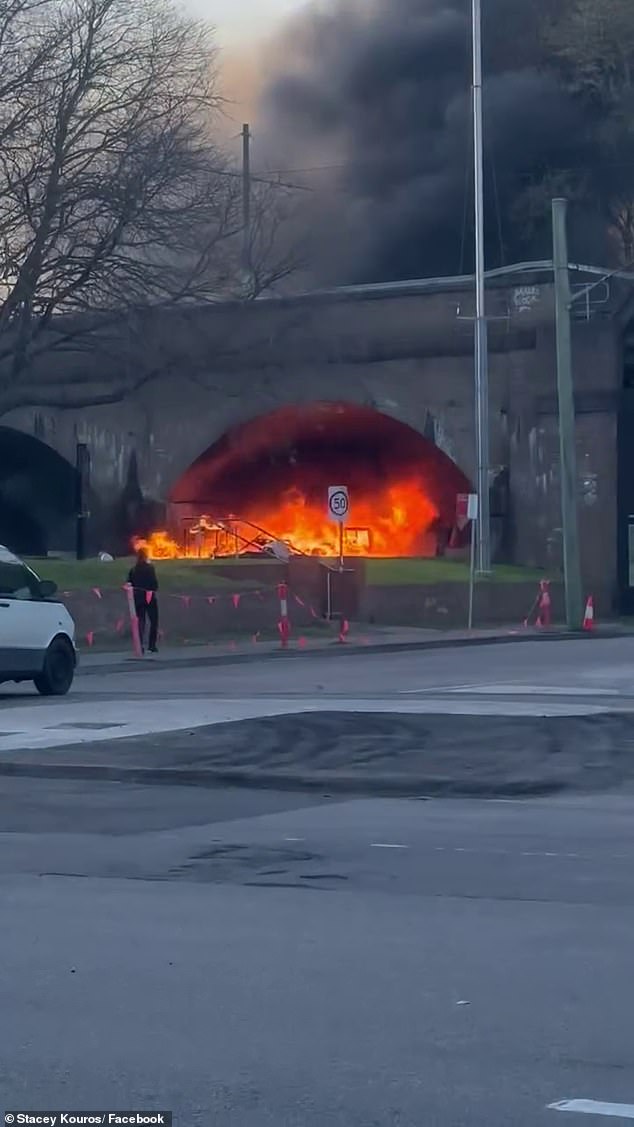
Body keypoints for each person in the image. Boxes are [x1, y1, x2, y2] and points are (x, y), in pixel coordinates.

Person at [128, 548, 159, 653]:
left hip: (138, 599)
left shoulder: (133, 570)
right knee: (154, 621)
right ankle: (152, 645)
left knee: (141, 622)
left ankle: (140, 645)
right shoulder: (150, 568)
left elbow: (129, 584)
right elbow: (154, 584)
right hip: (150, 598)